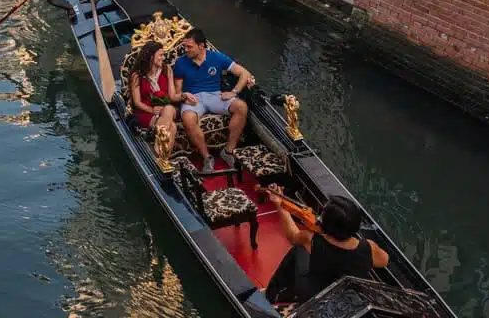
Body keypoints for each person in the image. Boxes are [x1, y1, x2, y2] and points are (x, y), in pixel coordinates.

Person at [264, 189, 390, 304]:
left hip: (314, 297)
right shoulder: (368, 248)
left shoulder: (310, 239)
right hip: (345, 300)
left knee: (299, 249)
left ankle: (272, 293)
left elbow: (292, 236)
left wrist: (281, 206)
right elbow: (384, 261)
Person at [173, 29, 251, 173]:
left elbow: (244, 73)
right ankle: (207, 157)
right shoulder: (180, 63)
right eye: (185, 46)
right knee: (188, 119)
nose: (186, 50)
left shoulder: (217, 57)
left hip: (215, 96)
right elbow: (178, 92)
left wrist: (234, 92)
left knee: (241, 107)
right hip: (193, 99)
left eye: (189, 47)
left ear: (201, 46)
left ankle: (228, 151)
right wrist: (185, 95)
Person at [129, 40, 181, 157]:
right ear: (151, 56)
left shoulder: (167, 70)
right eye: (161, 55)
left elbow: (172, 96)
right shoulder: (137, 75)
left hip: (167, 109)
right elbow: (137, 102)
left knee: (168, 109)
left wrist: (183, 95)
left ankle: (157, 151)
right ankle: (163, 158)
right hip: (146, 113)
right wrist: (152, 110)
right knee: (172, 126)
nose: (163, 58)